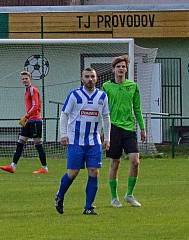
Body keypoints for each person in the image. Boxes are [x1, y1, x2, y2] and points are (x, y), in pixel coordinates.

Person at [54, 67, 110, 215]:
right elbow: (64, 115)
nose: (90, 79)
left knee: (94, 172)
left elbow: (106, 117)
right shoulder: (74, 95)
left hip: (94, 141)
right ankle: (60, 196)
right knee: (73, 173)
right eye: (87, 76)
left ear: (96, 78)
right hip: (75, 140)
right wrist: (63, 134)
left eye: (92, 76)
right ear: (82, 78)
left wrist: (107, 138)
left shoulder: (102, 96)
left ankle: (88, 207)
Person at [102, 55, 146, 208]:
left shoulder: (133, 86)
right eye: (118, 66)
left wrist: (142, 128)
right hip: (113, 128)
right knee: (115, 162)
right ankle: (114, 198)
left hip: (129, 128)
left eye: (123, 66)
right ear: (113, 69)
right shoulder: (106, 86)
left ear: (126, 69)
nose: (121, 69)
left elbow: (137, 108)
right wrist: (103, 131)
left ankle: (129, 194)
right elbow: (102, 110)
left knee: (135, 161)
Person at [0, 71, 48, 175]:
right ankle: (12, 166)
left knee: (38, 144)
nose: (24, 80)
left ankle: (44, 168)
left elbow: (35, 106)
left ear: (30, 78)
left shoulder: (32, 90)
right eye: (23, 79)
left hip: (35, 121)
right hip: (29, 121)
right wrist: (27, 117)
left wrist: (26, 116)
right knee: (20, 142)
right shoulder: (27, 91)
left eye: (26, 78)